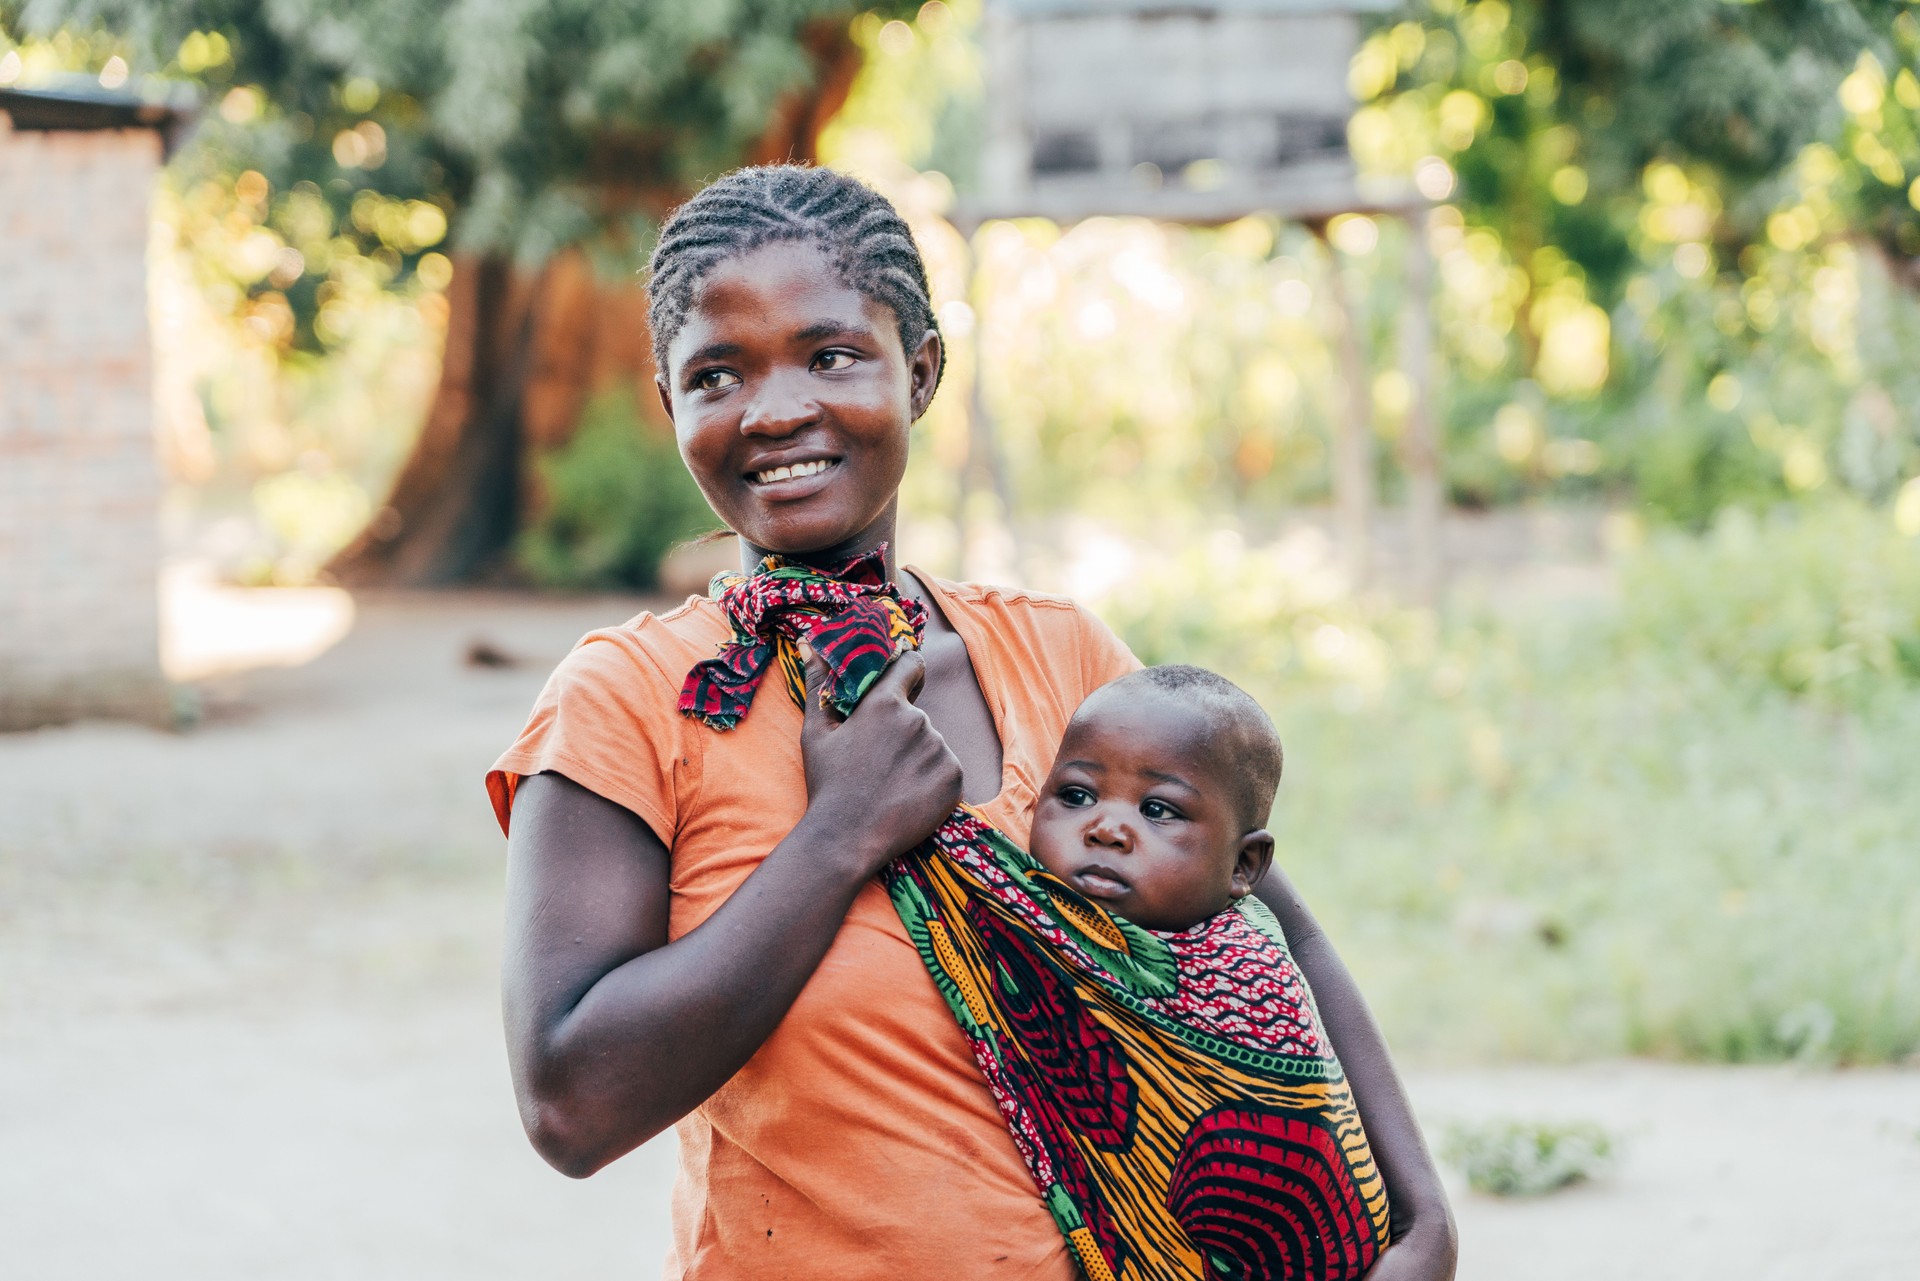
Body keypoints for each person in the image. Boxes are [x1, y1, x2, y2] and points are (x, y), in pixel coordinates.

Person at [492, 164, 1457, 1281]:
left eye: (832, 354)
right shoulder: (630, 698)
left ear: (923, 371)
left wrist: (1422, 1220)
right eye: (717, 374)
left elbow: (1276, 936)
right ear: (673, 409)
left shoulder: (1063, 660)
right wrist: (840, 833)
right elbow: (571, 1104)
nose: (777, 409)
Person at [1029, 664, 1285, 934]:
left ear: (1243, 864)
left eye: (1157, 811)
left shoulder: (1249, 969)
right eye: (1077, 796)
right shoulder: (1000, 908)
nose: (1105, 831)